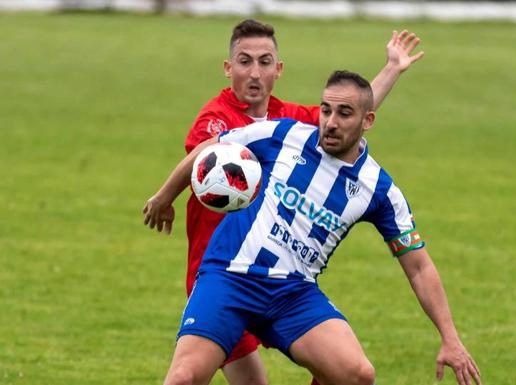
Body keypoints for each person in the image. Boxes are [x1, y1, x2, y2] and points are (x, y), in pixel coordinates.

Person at [144, 70, 481, 385]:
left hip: (292, 293)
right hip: (230, 277)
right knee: (183, 379)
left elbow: (419, 266)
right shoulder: (282, 134)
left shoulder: (379, 189)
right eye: (325, 110)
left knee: (358, 375)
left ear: (368, 120)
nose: (330, 123)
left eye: (344, 114)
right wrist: (165, 195)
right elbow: (213, 147)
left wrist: (449, 337)